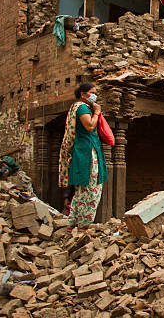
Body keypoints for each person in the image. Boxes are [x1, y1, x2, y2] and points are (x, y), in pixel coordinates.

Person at [59, 83, 108, 230]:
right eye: (92, 93)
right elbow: (90, 126)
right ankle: (83, 226)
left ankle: (72, 223)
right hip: (87, 153)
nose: (95, 96)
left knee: (80, 192)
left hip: (81, 152)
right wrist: (97, 112)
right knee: (91, 190)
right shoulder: (82, 108)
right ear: (82, 94)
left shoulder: (76, 107)